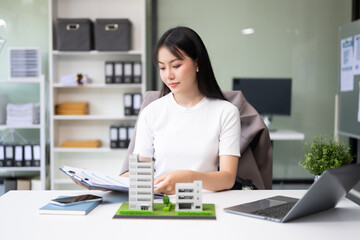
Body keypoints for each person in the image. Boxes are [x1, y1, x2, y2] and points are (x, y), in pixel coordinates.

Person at [121, 26, 241, 195]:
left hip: (206, 204)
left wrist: (189, 177)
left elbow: (227, 178)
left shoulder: (226, 112)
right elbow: (140, 173)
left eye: (176, 65)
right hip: (161, 203)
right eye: (162, 68)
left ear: (197, 63)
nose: (168, 75)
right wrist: (99, 183)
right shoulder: (151, 112)